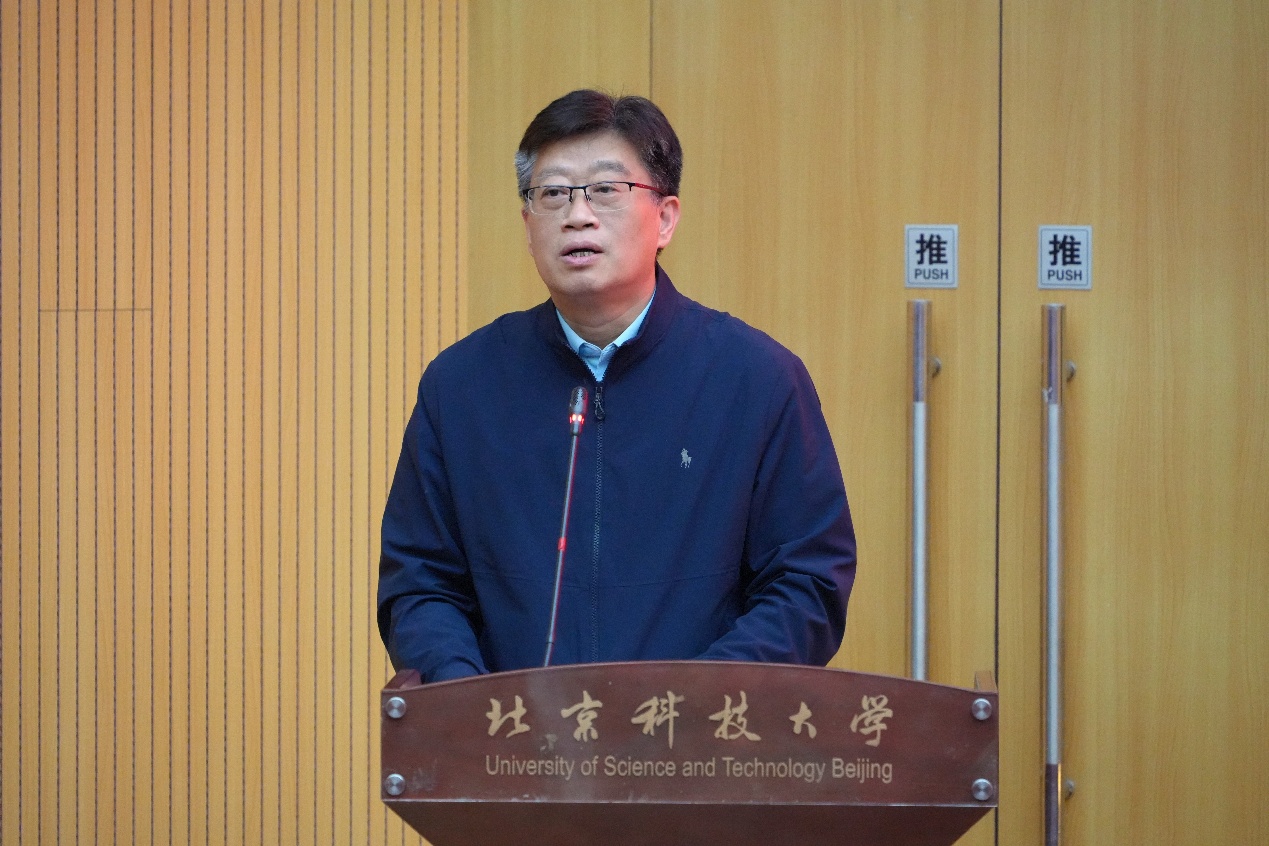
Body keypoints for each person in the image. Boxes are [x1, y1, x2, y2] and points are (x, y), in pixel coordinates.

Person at [378, 89, 856, 683]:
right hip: (510, 734)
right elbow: (421, 583)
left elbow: (807, 582)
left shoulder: (757, 380)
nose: (578, 214)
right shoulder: (462, 387)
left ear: (665, 218)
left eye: (606, 189)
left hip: (700, 732)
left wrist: (689, 704)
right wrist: (471, 704)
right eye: (553, 193)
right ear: (528, 224)